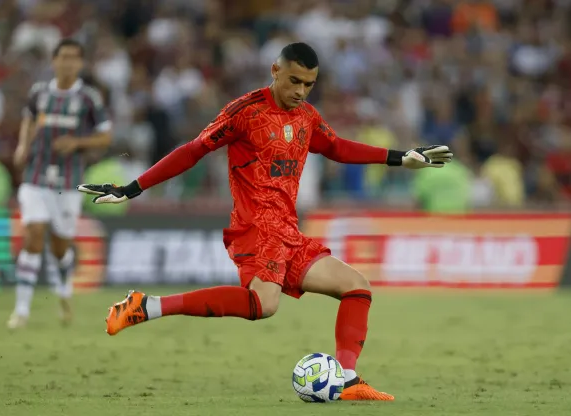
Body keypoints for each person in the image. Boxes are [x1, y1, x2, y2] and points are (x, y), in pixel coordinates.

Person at [78, 43, 452, 401]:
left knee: (356, 287)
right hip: (256, 227)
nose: (301, 91)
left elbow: (336, 147)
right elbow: (193, 151)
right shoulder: (245, 112)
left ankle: (347, 377)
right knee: (265, 304)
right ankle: (149, 305)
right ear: (275, 71)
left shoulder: (306, 117)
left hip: (288, 229)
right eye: (294, 81)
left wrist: (401, 158)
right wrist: (132, 188)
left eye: (309, 84)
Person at [9, 39, 112, 329]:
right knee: (33, 235)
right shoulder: (39, 93)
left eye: (73, 58)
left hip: (68, 181)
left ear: (80, 63)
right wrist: (22, 146)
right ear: (54, 61)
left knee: (59, 247)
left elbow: (105, 136)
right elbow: (28, 120)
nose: (67, 63)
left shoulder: (89, 97)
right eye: (62, 57)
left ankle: (64, 290)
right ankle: (21, 310)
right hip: (35, 177)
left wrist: (77, 142)